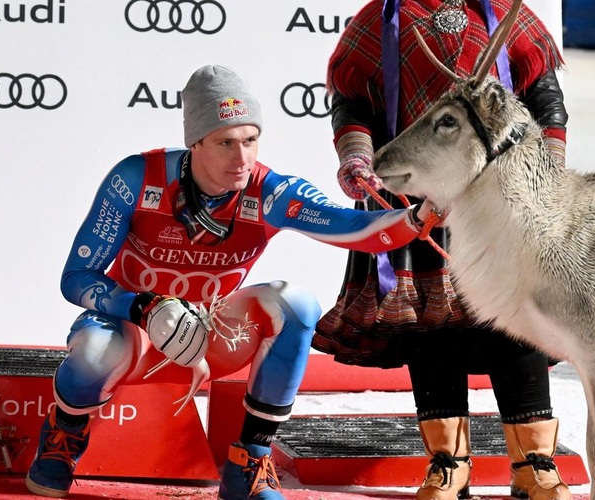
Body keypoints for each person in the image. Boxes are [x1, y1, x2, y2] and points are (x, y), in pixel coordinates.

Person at [23, 64, 434, 500]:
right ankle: (63, 440)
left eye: (250, 141)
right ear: (195, 143)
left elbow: (353, 227)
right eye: (225, 143)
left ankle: (249, 462)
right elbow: (76, 278)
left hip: (210, 334)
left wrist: (418, 217)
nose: (242, 159)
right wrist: (144, 306)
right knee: (92, 349)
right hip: (137, 335)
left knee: (296, 303)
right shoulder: (136, 177)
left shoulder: (270, 190)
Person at [310, 1, 571, 499]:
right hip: (414, 195)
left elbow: (545, 97)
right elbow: (352, 103)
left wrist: (548, 170)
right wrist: (359, 158)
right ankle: (448, 465)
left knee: (515, 326)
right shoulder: (379, 20)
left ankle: (535, 465)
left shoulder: (503, 13)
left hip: (499, 200)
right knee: (428, 325)